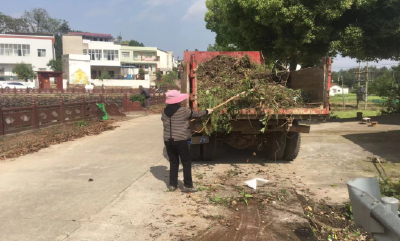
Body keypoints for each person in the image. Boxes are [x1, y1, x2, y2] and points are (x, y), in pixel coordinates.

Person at [161, 90, 213, 193]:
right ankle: (188, 186)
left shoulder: (164, 111)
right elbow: (196, 114)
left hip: (168, 140)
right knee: (186, 162)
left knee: (173, 162)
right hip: (180, 139)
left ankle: (172, 185)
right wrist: (207, 111)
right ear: (178, 101)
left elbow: (165, 120)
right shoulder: (183, 110)